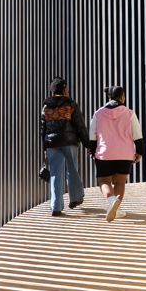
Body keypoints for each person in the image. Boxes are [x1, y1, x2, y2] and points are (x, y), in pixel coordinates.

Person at [88, 85, 144, 221]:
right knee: (120, 182)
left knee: (104, 180)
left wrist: (92, 151)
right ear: (122, 97)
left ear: (109, 97)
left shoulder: (98, 113)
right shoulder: (130, 113)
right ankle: (117, 210)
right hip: (125, 153)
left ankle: (111, 199)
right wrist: (139, 151)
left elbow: (92, 135)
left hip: (104, 153)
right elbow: (137, 134)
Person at [41, 77, 88, 216]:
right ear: (64, 88)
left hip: (52, 143)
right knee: (72, 169)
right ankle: (76, 198)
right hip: (69, 142)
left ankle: (56, 207)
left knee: (55, 173)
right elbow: (80, 126)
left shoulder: (46, 106)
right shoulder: (71, 104)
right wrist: (87, 144)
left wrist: (44, 147)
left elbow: (43, 129)